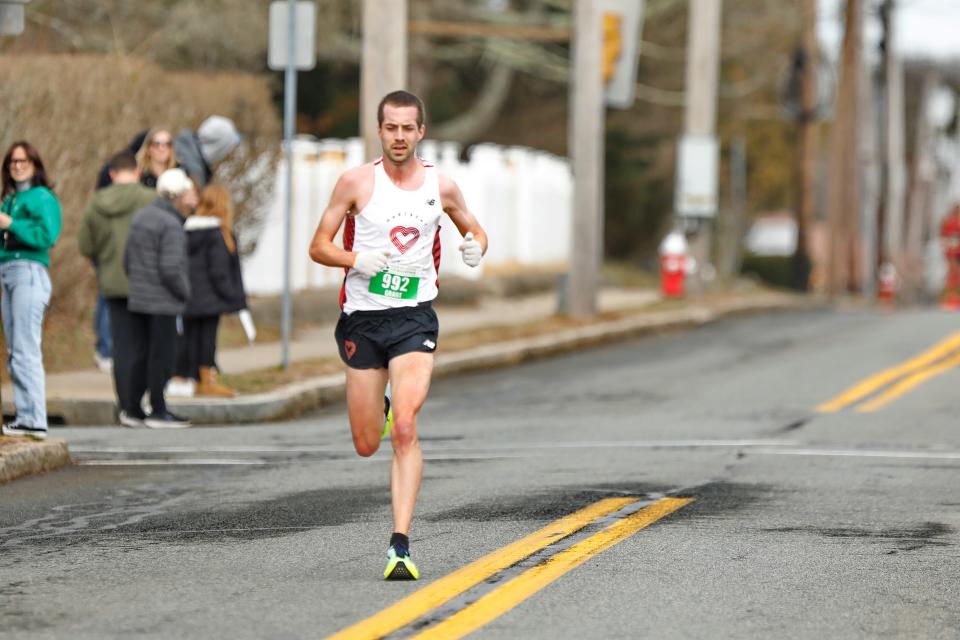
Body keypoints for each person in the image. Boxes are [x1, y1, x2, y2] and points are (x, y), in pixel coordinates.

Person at [308, 90, 487, 580]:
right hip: (363, 320)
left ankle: (400, 545)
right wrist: (354, 260)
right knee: (368, 443)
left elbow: (474, 229)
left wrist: (475, 249)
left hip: (414, 318)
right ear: (380, 131)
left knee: (406, 426)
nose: (400, 136)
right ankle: (380, 411)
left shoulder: (440, 186)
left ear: (421, 131)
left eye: (409, 128)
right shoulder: (355, 183)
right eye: (391, 128)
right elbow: (318, 246)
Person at [77, 150, 156, 421]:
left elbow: (85, 244)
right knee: (145, 342)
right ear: (136, 171)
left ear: (111, 174)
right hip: (146, 281)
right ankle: (139, 400)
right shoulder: (149, 199)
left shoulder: (97, 202)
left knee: (122, 345)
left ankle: (126, 405)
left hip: (111, 280)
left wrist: (103, 261)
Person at [121, 168, 195, 429]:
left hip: (139, 298)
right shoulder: (171, 223)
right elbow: (171, 268)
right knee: (162, 356)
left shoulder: (142, 216)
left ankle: (131, 409)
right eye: (188, 191)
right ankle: (158, 410)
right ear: (177, 195)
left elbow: (127, 259)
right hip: (163, 301)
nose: (192, 196)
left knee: (141, 354)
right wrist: (186, 292)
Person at [0, 141, 62, 440]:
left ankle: (35, 418)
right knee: (15, 349)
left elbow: (46, 235)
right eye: (13, 161)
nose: (18, 166)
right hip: (8, 273)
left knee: (26, 348)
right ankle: (25, 416)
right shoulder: (10, 199)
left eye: (23, 161)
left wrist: (11, 224)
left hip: (29, 272)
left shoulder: (42, 197)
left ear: (35, 165)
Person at [175, 184, 247, 397]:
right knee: (207, 340)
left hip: (189, 297)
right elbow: (219, 272)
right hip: (211, 299)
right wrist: (233, 297)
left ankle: (193, 378)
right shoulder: (217, 234)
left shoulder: (187, 230)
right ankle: (207, 380)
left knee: (190, 338)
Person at [174, 116, 241, 188]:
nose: (227, 153)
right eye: (227, 147)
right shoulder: (194, 172)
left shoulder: (178, 146)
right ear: (219, 146)